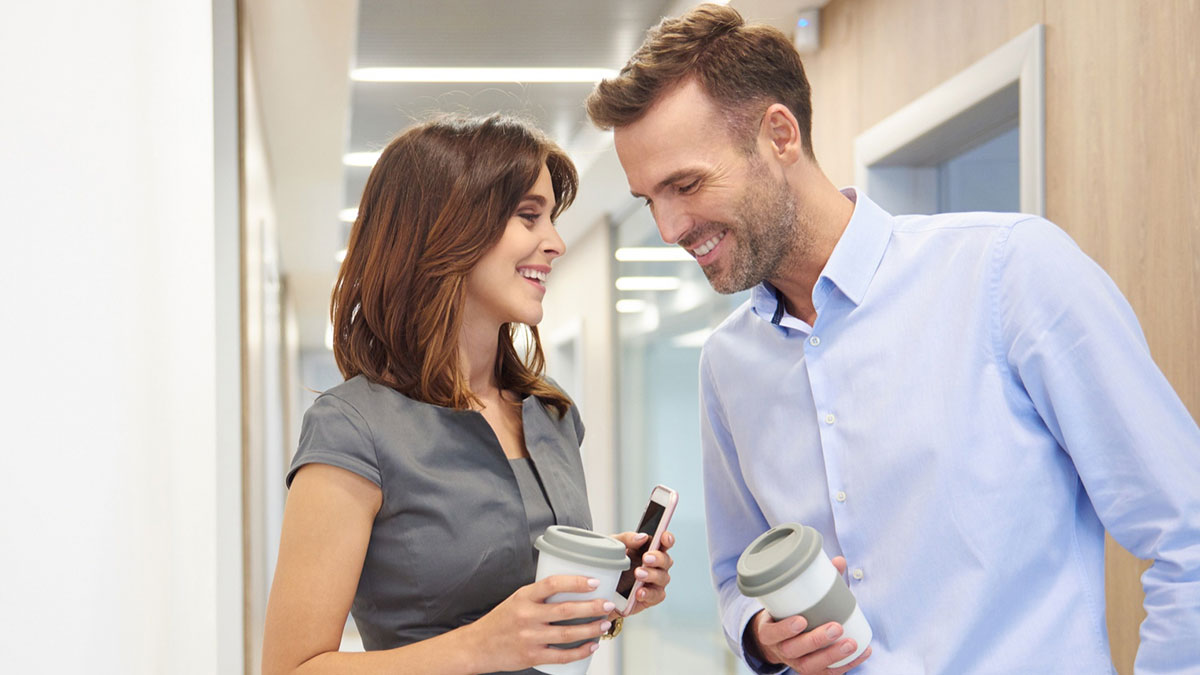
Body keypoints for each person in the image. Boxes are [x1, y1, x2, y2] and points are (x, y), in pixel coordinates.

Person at [586, 4, 1200, 674]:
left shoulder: (1009, 274)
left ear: (780, 136)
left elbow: (1186, 537)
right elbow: (735, 577)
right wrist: (762, 634)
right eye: (650, 199)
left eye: (686, 183)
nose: (670, 227)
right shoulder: (728, 365)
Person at [261, 114, 674, 675]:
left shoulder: (552, 413)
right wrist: (485, 645)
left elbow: (540, 627)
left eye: (550, 218)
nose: (554, 243)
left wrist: (606, 588)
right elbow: (291, 668)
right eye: (529, 216)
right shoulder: (352, 428)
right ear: (447, 229)